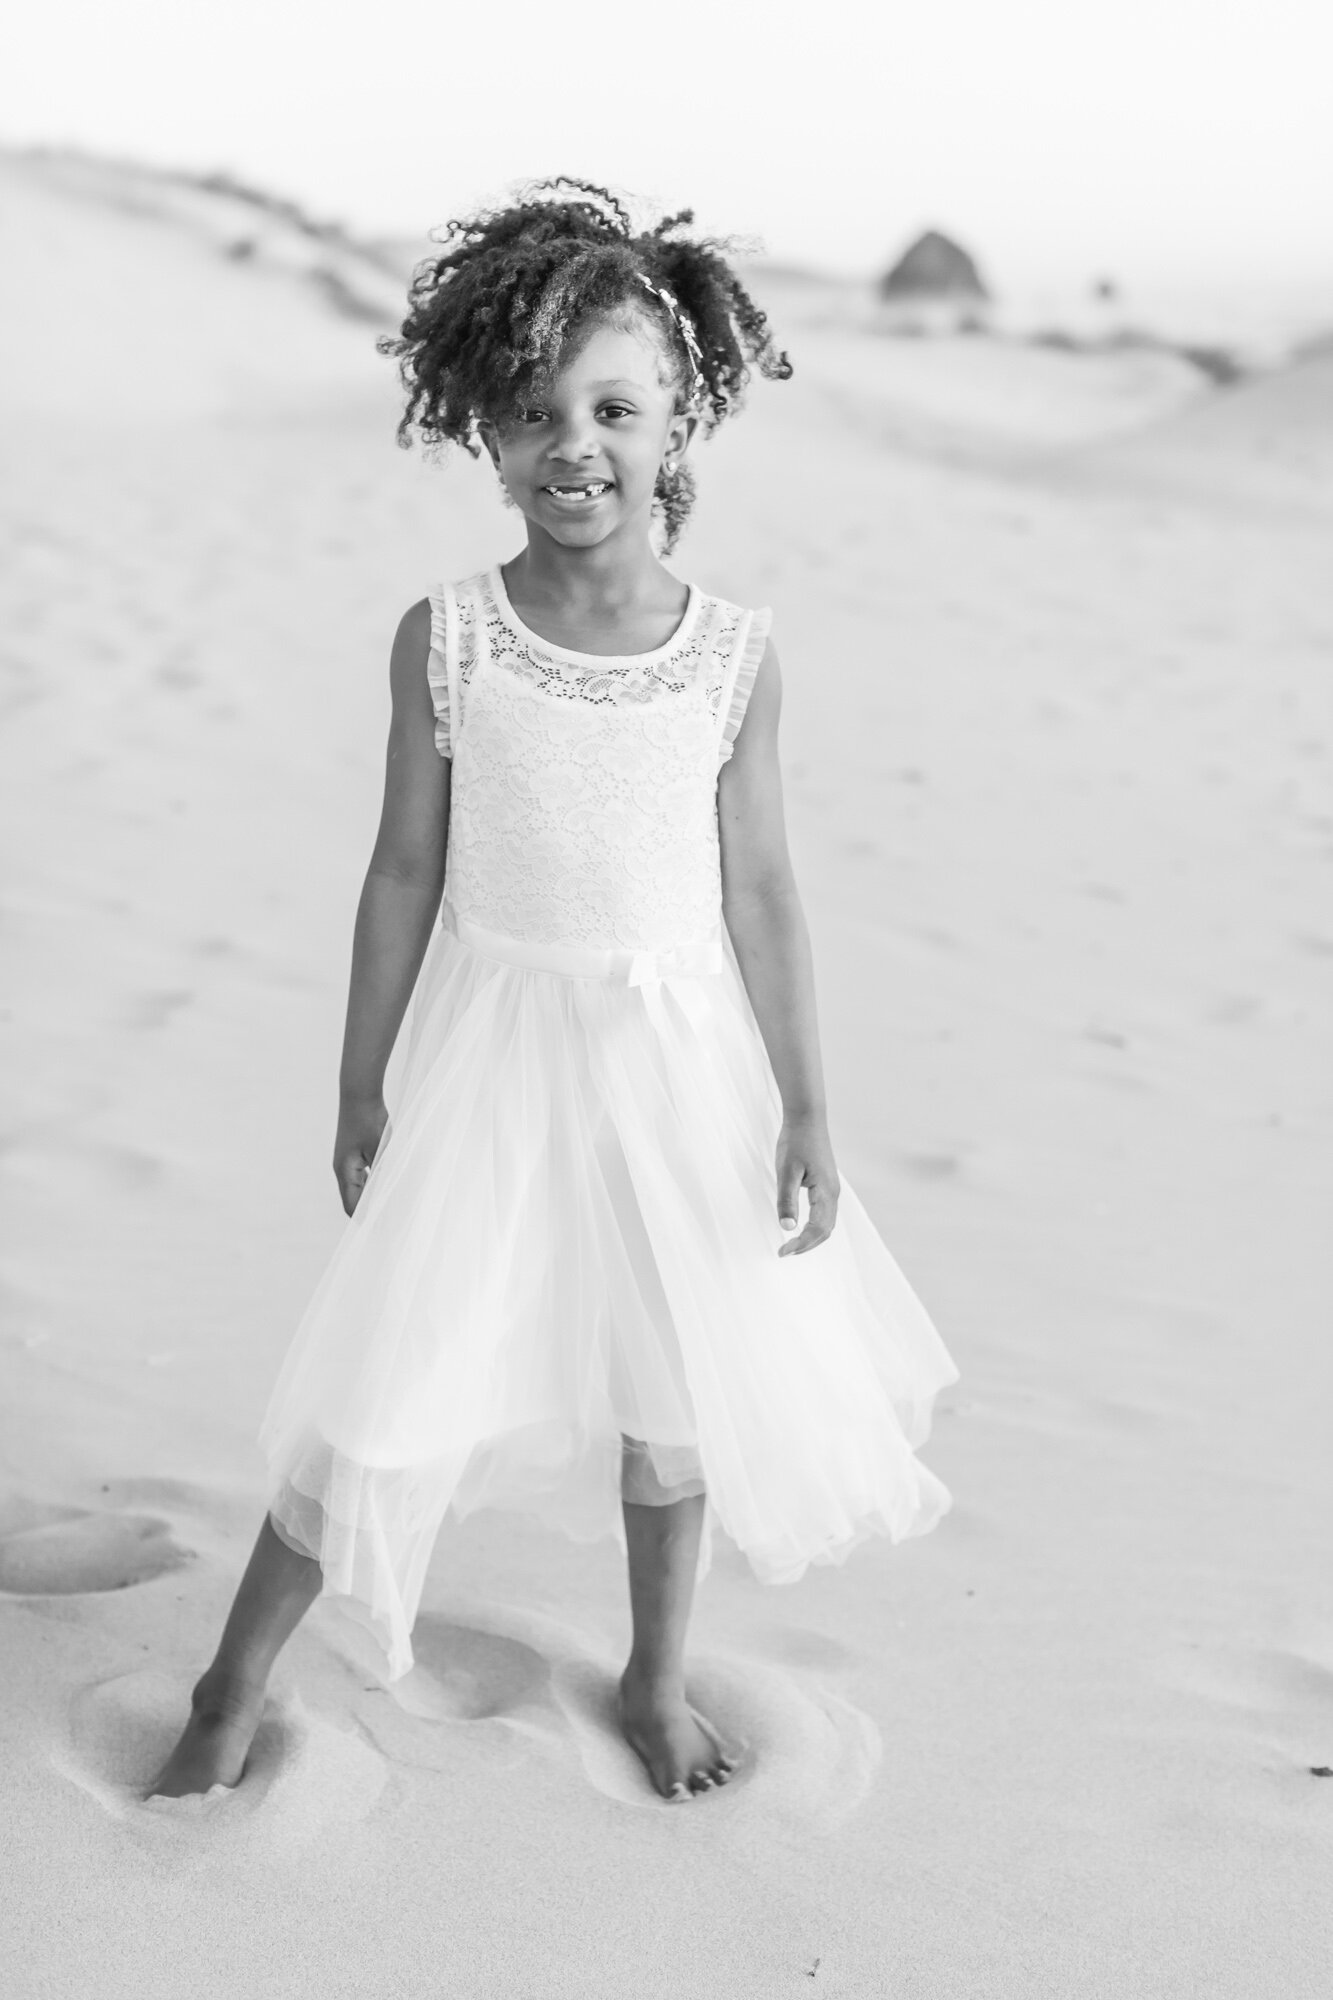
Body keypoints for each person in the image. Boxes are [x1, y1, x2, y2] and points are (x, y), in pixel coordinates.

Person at [148, 179, 959, 1806]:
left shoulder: (731, 656)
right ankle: (230, 1687)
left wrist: (807, 1105)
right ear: (483, 434)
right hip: (495, 1061)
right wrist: (359, 1076)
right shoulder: (447, 638)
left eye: (612, 409)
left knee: (678, 1394)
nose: (571, 445)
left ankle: (654, 1675)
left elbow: (760, 892)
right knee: (388, 1382)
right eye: (532, 415)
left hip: (679, 1065)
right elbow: (402, 871)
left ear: (678, 425)